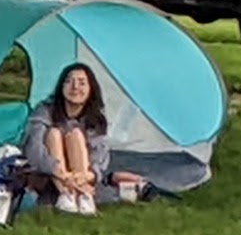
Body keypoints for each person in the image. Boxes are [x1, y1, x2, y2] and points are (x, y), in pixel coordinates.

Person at [25, 64, 151, 215]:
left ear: (91, 89)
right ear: (61, 86)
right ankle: (67, 194)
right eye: (69, 81)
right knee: (54, 133)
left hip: (82, 175)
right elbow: (33, 148)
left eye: (82, 83)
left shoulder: (96, 119)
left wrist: (87, 175)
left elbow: (100, 156)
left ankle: (82, 196)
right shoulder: (44, 111)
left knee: (76, 135)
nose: (75, 87)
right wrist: (58, 171)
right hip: (48, 175)